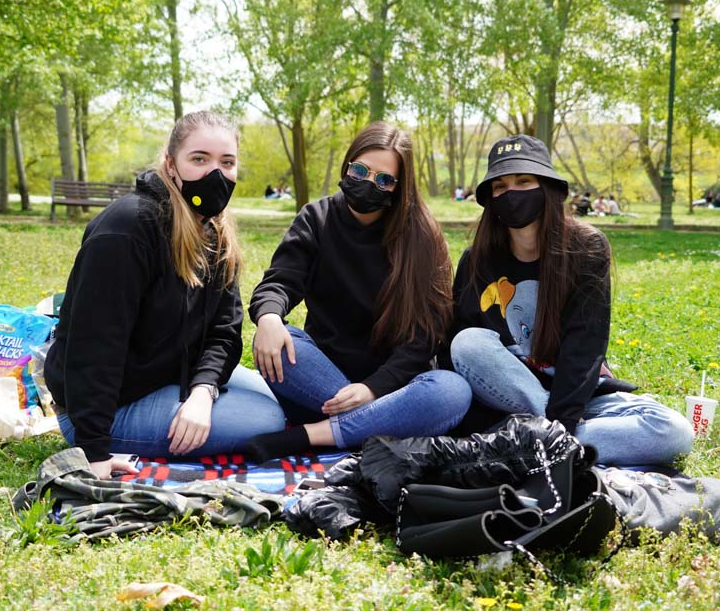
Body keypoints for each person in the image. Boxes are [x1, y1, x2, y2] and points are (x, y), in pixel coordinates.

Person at [45, 111, 286, 480]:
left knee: (274, 397)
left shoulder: (215, 230)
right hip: (103, 410)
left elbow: (225, 329)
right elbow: (95, 345)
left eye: (227, 162)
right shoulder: (128, 227)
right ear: (171, 165)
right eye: (199, 159)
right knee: (265, 418)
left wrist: (203, 393)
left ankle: (192, 399)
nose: (215, 175)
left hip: (167, 373)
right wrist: (93, 450)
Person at [445, 135, 693, 467]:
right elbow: (462, 346)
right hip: (507, 397)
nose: (511, 193)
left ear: (546, 187)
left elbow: (585, 345)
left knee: (675, 432)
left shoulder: (585, 248)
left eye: (523, 181)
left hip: (577, 397)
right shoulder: (476, 260)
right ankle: (550, 443)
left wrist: (561, 422)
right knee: (468, 342)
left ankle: (526, 443)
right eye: (500, 186)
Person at [245, 121, 472, 461]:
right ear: (347, 165)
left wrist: (372, 389)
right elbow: (280, 281)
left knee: (452, 391)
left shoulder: (421, 236)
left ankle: (313, 435)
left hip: (394, 387)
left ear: (399, 187)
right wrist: (269, 317)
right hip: (322, 384)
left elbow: (428, 333)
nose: (369, 183)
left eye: (383, 179)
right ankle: (370, 427)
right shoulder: (316, 218)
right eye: (361, 170)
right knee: (277, 344)